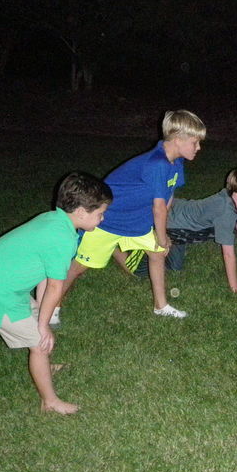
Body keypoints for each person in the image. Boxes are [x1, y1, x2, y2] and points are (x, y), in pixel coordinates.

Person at [0, 172, 113, 414]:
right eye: (100, 214)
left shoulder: (55, 220)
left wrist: (44, 315)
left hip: (1, 285)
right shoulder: (61, 238)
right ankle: (49, 401)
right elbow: (55, 286)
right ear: (82, 212)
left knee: (41, 332)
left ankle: (45, 366)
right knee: (41, 344)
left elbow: (44, 274)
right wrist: (42, 326)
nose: (102, 218)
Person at [55, 110, 206, 323]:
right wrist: (162, 238)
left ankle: (160, 306)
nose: (198, 148)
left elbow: (169, 196)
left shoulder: (176, 163)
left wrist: (160, 233)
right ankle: (53, 305)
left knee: (156, 255)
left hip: (138, 221)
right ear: (178, 139)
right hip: (107, 220)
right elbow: (159, 207)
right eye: (195, 142)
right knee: (79, 266)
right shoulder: (157, 164)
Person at [128, 167, 237, 297]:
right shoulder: (225, 212)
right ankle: (119, 248)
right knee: (139, 271)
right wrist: (236, 287)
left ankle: (166, 242)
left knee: (175, 267)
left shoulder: (234, 202)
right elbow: (228, 254)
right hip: (168, 224)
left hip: (181, 230)